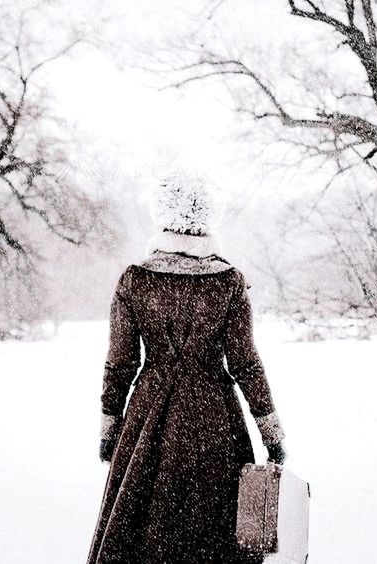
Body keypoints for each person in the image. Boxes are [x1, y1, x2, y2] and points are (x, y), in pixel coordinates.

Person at [86, 169, 287, 564]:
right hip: (216, 421)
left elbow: (120, 364)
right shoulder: (228, 281)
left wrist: (110, 425)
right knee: (215, 532)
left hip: (148, 422)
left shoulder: (135, 280)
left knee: (141, 533)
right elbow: (246, 362)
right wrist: (270, 429)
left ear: (161, 213)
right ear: (209, 216)